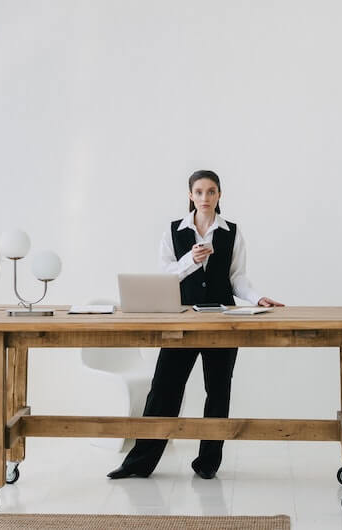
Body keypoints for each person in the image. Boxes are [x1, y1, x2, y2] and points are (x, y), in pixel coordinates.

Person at [107, 169, 284, 480]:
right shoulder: (173, 230)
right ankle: (138, 464)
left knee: (218, 391)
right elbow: (166, 277)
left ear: (219, 195)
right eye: (199, 192)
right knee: (163, 389)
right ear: (190, 195)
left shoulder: (232, 232)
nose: (205, 197)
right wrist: (191, 260)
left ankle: (207, 464)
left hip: (223, 321)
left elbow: (237, 278)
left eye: (211, 191)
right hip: (182, 321)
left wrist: (257, 299)